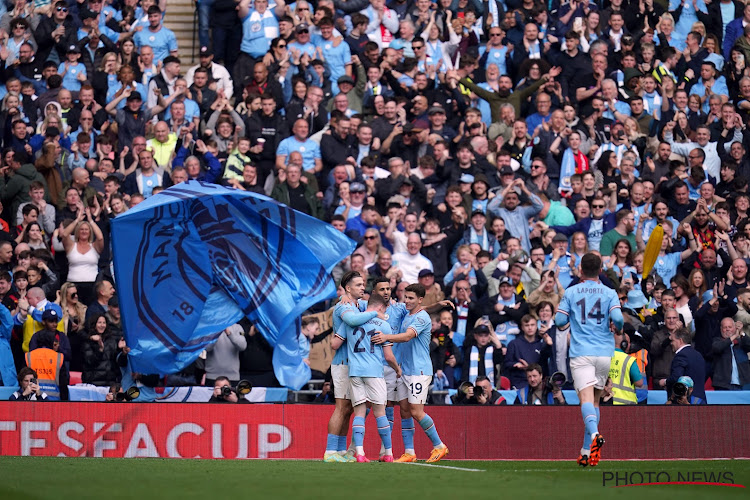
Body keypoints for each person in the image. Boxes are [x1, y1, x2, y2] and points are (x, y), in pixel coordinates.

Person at [555, 253, 624, 467]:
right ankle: (586, 452)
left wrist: (567, 322)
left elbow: (559, 321)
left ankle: (595, 436)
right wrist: (617, 328)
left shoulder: (572, 291)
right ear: (601, 270)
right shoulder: (610, 292)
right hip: (604, 353)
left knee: (585, 400)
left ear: (580, 271)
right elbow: (619, 319)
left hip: (582, 352)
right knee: (594, 402)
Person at [373, 283, 449, 464]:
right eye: (405, 297)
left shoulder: (422, 318)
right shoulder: (408, 314)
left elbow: (407, 336)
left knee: (416, 410)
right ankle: (409, 452)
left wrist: (386, 337)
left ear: (420, 300)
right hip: (405, 370)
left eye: (411, 298)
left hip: (419, 371)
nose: (406, 301)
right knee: (405, 411)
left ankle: (439, 446)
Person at [331, 293, 400, 462]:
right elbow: (389, 356)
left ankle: (360, 453)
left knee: (359, 413)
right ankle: (389, 454)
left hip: (355, 372)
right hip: (374, 373)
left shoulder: (350, 321)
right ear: (380, 308)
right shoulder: (383, 325)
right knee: (380, 413)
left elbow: (334, 344)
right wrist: (397, 369)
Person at [323, 271, 379, 463]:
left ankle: (342, 451)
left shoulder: (358, 304)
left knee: (349, 409)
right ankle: (330, 451)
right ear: (348, 288)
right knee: (341, 408)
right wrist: (374, 313)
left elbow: (375, 304)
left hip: (355, 364)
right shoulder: (343, 307)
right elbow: (353, 321)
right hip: (343, 364)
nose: (363, 287)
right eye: (358, 285)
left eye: (363, 284)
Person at [661, 327, 707, 404]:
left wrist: (665, 382)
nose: (671, 343)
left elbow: (676, 377)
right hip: (700, 400)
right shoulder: (698, 355)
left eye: (672, 340)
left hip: (685, 401)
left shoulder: (681, 355)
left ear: (680, 340)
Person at [711, 317, 750, 391]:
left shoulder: (741, 342)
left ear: (734, 328)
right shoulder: (717, 341)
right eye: (725, 327)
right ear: (721, 329)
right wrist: (734, 336)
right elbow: (718, 348)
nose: (727, 329)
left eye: (730, 327)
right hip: (723, 385)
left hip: (742, 384)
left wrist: (741, 332)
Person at [608, 329, 643, 405]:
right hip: (626, 404)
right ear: (624, 344)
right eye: (628, 342)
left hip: (605, 402)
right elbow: (639, 383)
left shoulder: (603, 357)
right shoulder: (629, 360)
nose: (630, 345)